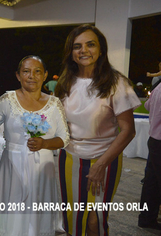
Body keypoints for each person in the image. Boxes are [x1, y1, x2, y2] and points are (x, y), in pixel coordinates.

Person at [54, 24, 141, 236]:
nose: (84, 50)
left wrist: (101, 164)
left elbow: (128, 130)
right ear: (71, 53)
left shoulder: (117, 83)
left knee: (96, 220)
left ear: (101, 49)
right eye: (77, 46)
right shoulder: (65, 82)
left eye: (90, 44)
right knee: (73, 219)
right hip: (69, 160)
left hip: (105, 160)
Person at [0, 55, 69, 235]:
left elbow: (64, 138)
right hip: (12, 165)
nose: (31, 76)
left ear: (45, 76)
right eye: (26, 71)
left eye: (37, 72)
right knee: (12, 209)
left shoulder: (55, 103)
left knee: (38, 210)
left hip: (43, 166)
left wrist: (45, 143)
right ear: (18, 75)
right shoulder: (6, 100)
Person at [138, 80, 161, 231]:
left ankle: (146, 218)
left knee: (152, 182)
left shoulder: (158, 87)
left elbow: (147, 105)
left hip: (155, 140)